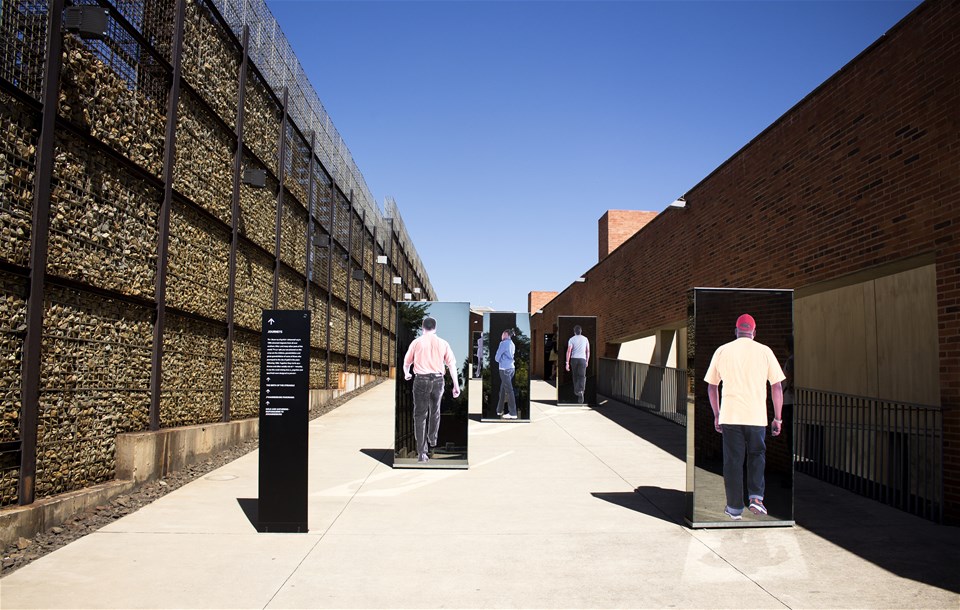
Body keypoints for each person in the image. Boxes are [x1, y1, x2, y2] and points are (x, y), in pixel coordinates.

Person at [705, 313, 785, 520]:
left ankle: (734, 508)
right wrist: (778, 417)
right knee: (757, 456)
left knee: (732, 461)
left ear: (736, 331)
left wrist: (717, 414)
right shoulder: (765, 351)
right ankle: (756, 498)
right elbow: (776, 386)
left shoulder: (723, 350)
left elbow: (712, 386)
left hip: (730, 415)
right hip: (756, 416)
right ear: (754, 332)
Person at [402, 316, 461, 463]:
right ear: (435, 328)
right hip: (438, 380)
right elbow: (452, 365)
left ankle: (422, 452)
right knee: (435, 411)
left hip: (420, 380)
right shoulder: (443, 343)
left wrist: (407, 373)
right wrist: (456, 385)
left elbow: (406, 362)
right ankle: (433, 439)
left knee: (420, 415)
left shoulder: (416, 342)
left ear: (423, 327)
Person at [494, 329, 518, 419]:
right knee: (503, 389)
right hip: (512, 368)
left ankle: (513, 413)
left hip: (504, 369)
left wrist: (501, 360)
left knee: (509, 390)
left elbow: (496, 357)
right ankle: (499, 410)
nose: (501, 335)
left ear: (506, 334)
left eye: (502, 334)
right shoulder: (512, 344)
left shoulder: (503, 343)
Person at [565, 325, 590, 403]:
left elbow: (569, 351)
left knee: (575, 375)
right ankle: (581, 390)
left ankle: (576, 391)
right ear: (581, 331)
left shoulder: (571, 339)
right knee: (582, 376)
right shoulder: (585, 339)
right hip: (582, 359)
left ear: (574, 332)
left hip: (574, 359)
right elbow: (588, 351)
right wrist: (587, 361)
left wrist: (567, 363)